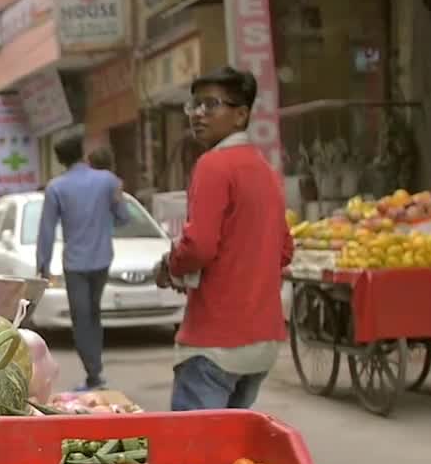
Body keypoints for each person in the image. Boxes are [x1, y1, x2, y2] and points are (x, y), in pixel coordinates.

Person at [155, 66, 293, 410]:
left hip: (215, 343)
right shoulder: (265, 169)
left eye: (211, 105)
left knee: (193, 458)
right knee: (232, 457)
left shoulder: (213, 165)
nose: (198, 114)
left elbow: (199, 246)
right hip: (261, 342)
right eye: (194, 105)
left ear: (241, 114)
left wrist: (170, 266)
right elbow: (285, 250)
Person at [36, 135, 128, 391]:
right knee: (94, 314)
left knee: (81, 318)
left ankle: (94, 374)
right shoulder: (108, 181)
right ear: (81, 152)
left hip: (75, 263)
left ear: (59, 160)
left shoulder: (56, 188)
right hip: (102, 259)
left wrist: (42, 264)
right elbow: (123, 218)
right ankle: (95, 372)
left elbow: (46, 229)